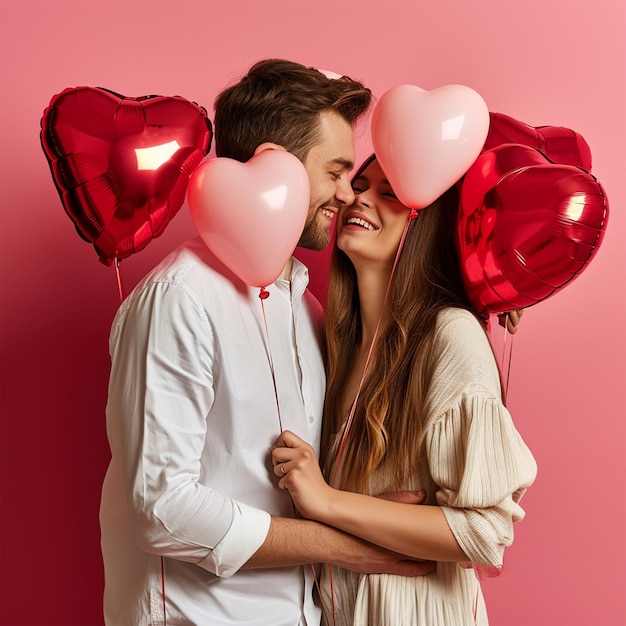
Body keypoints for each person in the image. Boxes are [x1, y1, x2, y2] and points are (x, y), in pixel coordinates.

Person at [99, 60, 435, 626]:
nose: (347, 193)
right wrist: (346, 547)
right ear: (273, 165)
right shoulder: (181, 298)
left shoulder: (303, 303)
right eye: (335, 172)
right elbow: (161, 510)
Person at [271, 154, 538, 626]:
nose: (358, 197)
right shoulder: (332, 342)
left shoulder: (449, 334)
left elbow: (486, 531)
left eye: (389, 192)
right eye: (360, 183)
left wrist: (326, 500)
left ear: (426, 225)